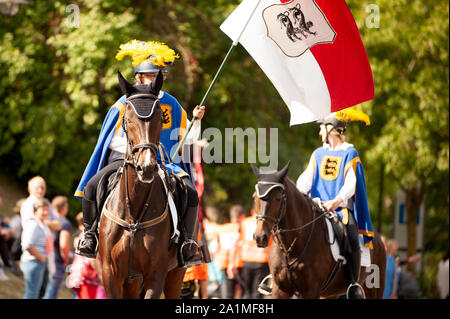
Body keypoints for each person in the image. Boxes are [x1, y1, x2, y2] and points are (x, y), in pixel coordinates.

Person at [74, 40, 206, 268]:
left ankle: (187, 244)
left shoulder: (172, 104)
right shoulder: (123, 104)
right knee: (94, 185)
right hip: (125, 159)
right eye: (147, 75)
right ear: (139, 77)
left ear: (161, 76)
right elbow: (111, 139)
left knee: (190, 193)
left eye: (155, 74)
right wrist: (137, 148)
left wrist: (196, 122)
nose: (151, 79)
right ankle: (90, 235)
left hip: (164, 162)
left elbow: (187, 140)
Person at [296, 108, 374, 299]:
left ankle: (354, 284)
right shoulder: (318, 153)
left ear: (331, 128)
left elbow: (352, 182)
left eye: (322, 128)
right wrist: (297, 193)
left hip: (340, 211)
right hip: (318, 211)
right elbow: (305, 179)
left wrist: (337, 200)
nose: (319, 132)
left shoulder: (350, 152)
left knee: (352, 237)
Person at [20, 198, 54, 299]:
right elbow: (27, 244)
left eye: (47, 209)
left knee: (38, 294)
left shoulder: (43, 224)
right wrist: (41, 258)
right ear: (36, 211)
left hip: (40, 262)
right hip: (33, 262)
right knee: (32, 294)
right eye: (43, 209)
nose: (46, 212)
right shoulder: (33, 224)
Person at [67, 212, 106, 299]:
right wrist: (100, 274)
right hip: (88, 276)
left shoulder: (83, 234)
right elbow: (91, 258)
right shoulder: (90, 235)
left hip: (80, 274)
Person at [238, 198, 272, 299]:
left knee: (246, 291)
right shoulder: (267, 223)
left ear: (252, 211)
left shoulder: (244, 222)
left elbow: (239, 241)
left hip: (246, 261)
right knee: (257, 293)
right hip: (262, 261)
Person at [44, 196, 72, 299]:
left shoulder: (47, 219)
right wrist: (66, 260)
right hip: (57, 261)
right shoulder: (65, 223)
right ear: (64, 208)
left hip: (45, 257)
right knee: (51, 294)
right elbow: (63, 244)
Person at [216, 205, 245, 298]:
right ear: (242, 216)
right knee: (243, 291)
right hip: (237, 264)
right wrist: (232, 264)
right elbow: (234, 247)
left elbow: (217, 247)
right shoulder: (240, 228)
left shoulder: (223, 228)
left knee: (229, 292)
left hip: (224, 263)